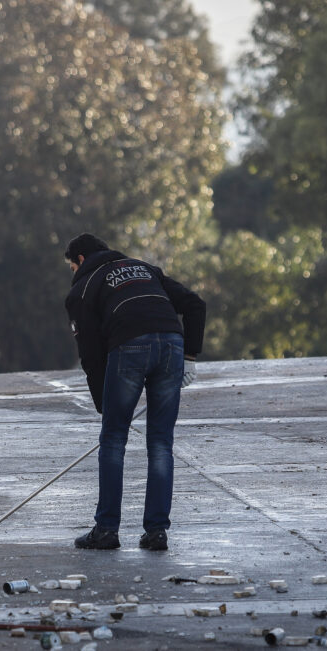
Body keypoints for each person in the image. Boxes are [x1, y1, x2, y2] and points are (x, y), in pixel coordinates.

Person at [63, 233, 205, 551]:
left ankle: (107, 530)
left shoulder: (82, 289)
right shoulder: (146, 269)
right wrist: (190, 356)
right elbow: (195, 304)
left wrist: (104, 406)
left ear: (81, 260)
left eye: (71, 267)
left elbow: (90, 353)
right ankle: (156, 532)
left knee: (113, 440)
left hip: (129, 347)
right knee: (160, 442)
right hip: (171, 344)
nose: (73, 273)